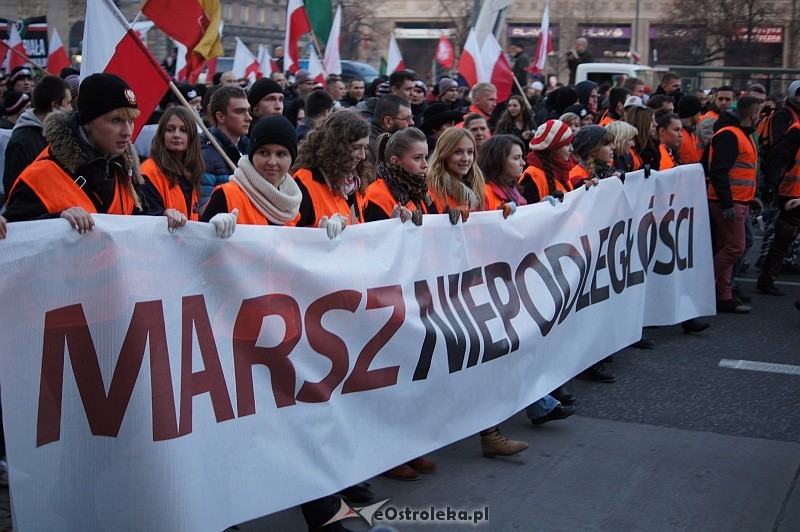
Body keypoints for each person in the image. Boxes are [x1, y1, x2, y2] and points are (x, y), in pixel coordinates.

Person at [4, 73, 154, 228]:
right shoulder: (41, 175)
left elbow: (139, 221)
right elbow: (13, 237)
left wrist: (162, 219)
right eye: (116, 120)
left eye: (131, 121)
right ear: (88, 122)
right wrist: (56, 220)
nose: (128, 131)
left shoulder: (124, 170)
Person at [707, 96, 763, 313]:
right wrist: (728, 204)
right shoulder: (731, 135)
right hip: (729, 202)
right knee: (735, 247)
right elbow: (719, 171)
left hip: (737, 200)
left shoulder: (739, 135)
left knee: (728, 247)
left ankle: (724, 295)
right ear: (753, 114)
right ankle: (704, 286)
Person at [292, 109, 372, 231]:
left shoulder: (353, 183)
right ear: (336, 147)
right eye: (356, 148)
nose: (362, 156)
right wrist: (321, 231)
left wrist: (394, 222)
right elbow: (290, 236)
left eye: (364, 148)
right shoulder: (304, 182)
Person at [3, 75, 71, 195]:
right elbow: (15, 191)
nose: (71, 109)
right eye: (68, 103)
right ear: (55, 106)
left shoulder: (62, 136)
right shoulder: (21, 142)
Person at [758, 116, 800, 296]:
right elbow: (777, 158)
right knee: (784, 239)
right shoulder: (797, 131)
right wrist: (772, 184)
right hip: (792, 194)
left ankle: (767, 279)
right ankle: (767, 279)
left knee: (784, 239)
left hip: (793, 193)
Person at [139, 106, 204, 221]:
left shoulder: (191, 171)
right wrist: (163, 216)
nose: (176, 135)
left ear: (192, 136)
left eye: (183, 130)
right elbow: (147, 217)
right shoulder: (149, 171)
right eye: (170, 129)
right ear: (161, 134)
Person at [199, 85, 251, 212]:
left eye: (248, 111)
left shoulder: (250, 150)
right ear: (220, 117)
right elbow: (202, 208)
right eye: (239, 112)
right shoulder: (205, 157)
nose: (248, 118)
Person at [520, 119, 575, 204]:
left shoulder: (561, 172)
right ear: (553, 148)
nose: (571, 149)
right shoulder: (532, 177)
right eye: (567, 144)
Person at [367, 94, 413, 165]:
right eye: (407, 119)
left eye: (411, 118)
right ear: (388, 121)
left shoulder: (391, 140)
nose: (412, 123)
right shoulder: (373, 146)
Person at [696, 85, 735, 151]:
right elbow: (717, 149)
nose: (723, 102)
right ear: (715, 100)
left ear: (734, 101)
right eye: (720, 99)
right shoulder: (709, 121)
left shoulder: (731, 119)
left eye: (727, 99)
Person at [625, 104, 660, 171]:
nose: (656, 124)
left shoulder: (654, 146)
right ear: (641, 123)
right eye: (651, 121)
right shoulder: (628, 150)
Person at [676, 94, 704, 164]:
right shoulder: (680, 135)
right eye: (698, 111)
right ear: (693, 113)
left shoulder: (690, 132)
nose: (700, 114)